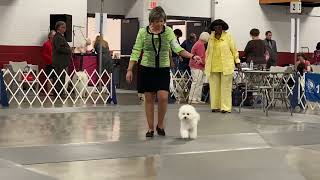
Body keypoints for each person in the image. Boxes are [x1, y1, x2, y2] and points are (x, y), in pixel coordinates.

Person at [126, 6, 201, 137]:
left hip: (163, 69)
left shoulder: (168, 32)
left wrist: (192, 56)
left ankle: (160, 125)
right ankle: (150, 128)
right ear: (151, 21)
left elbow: (177, 48)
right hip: (146, 69)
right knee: (148, 99)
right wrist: (129, 69)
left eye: (162, 21)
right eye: (157, 21)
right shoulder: (143, 32)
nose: (160, 24)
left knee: (163, 97)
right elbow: (136, 51)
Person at [205, 19, 241, 113]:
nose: (218, 29)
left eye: (220, 27)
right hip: (213, 66)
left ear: (223, 28)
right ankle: (215, 106)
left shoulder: (228, 37)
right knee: (214, 87)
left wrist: (237, 61)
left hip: (226, 65)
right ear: (213, 28)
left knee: (226, 88)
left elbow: (234, 50)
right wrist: (205, 63)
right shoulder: (211, 38)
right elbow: (207, 52)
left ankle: (225, 107)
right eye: (216, 27)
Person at [188, 32, 210, 104]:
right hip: (196, 66)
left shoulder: (199, 43)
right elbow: (201, 57)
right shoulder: (200, 45)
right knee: (196, 82)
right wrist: (205, 64)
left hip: (197, 66)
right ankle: (192, 98)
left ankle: (197, 98)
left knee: (199, 83)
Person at [52, 21, 72, 97]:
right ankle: (58, 93)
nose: (64, 29)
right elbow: (59, 48)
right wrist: (69, 50)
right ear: (58, 28)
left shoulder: (61, 36)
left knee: (61, 78)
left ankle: (60, 92)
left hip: (62, 62)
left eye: (65, 27)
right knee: (59, 78)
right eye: (62, 27)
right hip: (59, 61)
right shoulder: (58, 37)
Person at [41, 30, 56, 95]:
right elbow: (44, 54)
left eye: (55, 35)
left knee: (56, 78)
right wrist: (51, 59)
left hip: (56, 63)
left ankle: (56, 91)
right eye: (53, 35)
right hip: (49, 63)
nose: (54, 36)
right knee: (50, 78)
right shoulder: (46, 44)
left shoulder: (56, 44)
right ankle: (49, 91)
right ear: (49, 36)